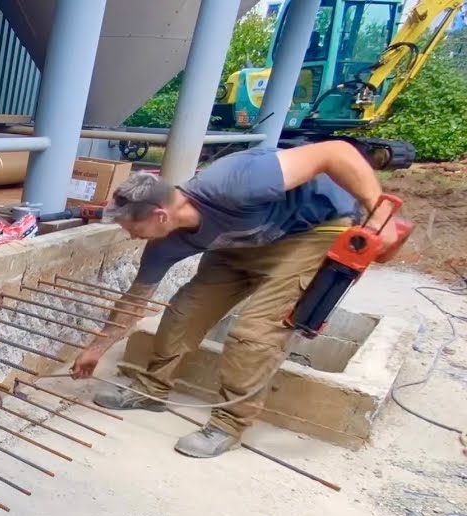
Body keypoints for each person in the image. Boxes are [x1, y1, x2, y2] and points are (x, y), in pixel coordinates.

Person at [73, 141, 400, 458]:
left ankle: (228, 424)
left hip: (308, 232)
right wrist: (96, 349)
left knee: (254, 334)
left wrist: (379, 212)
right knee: (182, 313)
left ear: (160, 215)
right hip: (240, 245)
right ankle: (151, 390)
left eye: (134, 228)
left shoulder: (234, 182)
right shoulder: (164, 243)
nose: (132, 236)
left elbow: (336, 152)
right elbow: (135, 300)